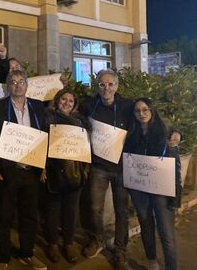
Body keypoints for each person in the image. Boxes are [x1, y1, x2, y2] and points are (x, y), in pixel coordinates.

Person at [0, 70, 48, 270]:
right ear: (7, 86)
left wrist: (44, 164)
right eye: (13, 82)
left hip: (31, 171)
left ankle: (27, 253)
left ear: (27, 85)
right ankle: (3, 256)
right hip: (7, 170)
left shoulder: (38, 106)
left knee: (29, 215)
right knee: (4, 216)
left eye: (21, 82)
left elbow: (45, 135)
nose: (17, 85)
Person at [79, 69, 133, 269]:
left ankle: (120, 251)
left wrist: (173, 133)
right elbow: (70, 113)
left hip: (121, 168)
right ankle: (98, 239)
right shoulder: (89, 105)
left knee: (122, 211)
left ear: (117, 86)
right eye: (102, 84)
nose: (106, 88)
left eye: (111, 84)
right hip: (98, 167)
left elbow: (149, 118)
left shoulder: (128, 106)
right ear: (97, 86)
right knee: (95, 208)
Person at [124, 98, 181, 270]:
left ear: (152, 110)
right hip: (140, 188)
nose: (141, 114)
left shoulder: (166, 134)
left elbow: (176, 166)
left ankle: (171, 267)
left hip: (162, 191)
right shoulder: (130, 134)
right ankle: (152, 261)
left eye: (145, 110)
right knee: (146, 227)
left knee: (166, 233)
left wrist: (176, 197)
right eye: (137, 111)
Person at [41, 88, 90, 264]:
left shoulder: (81, 122)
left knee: (71, 210)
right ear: (57, 100)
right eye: (64, 99)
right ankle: (52, 244)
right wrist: (42, 167)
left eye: (71, 101)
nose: (67, 103)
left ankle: (69, 243)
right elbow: (41, 143)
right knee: (52, 210)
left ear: (75, 105)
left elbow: (86, 147)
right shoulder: (47, 118)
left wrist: (85, 169)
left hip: (74, 172)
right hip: (54, 171)